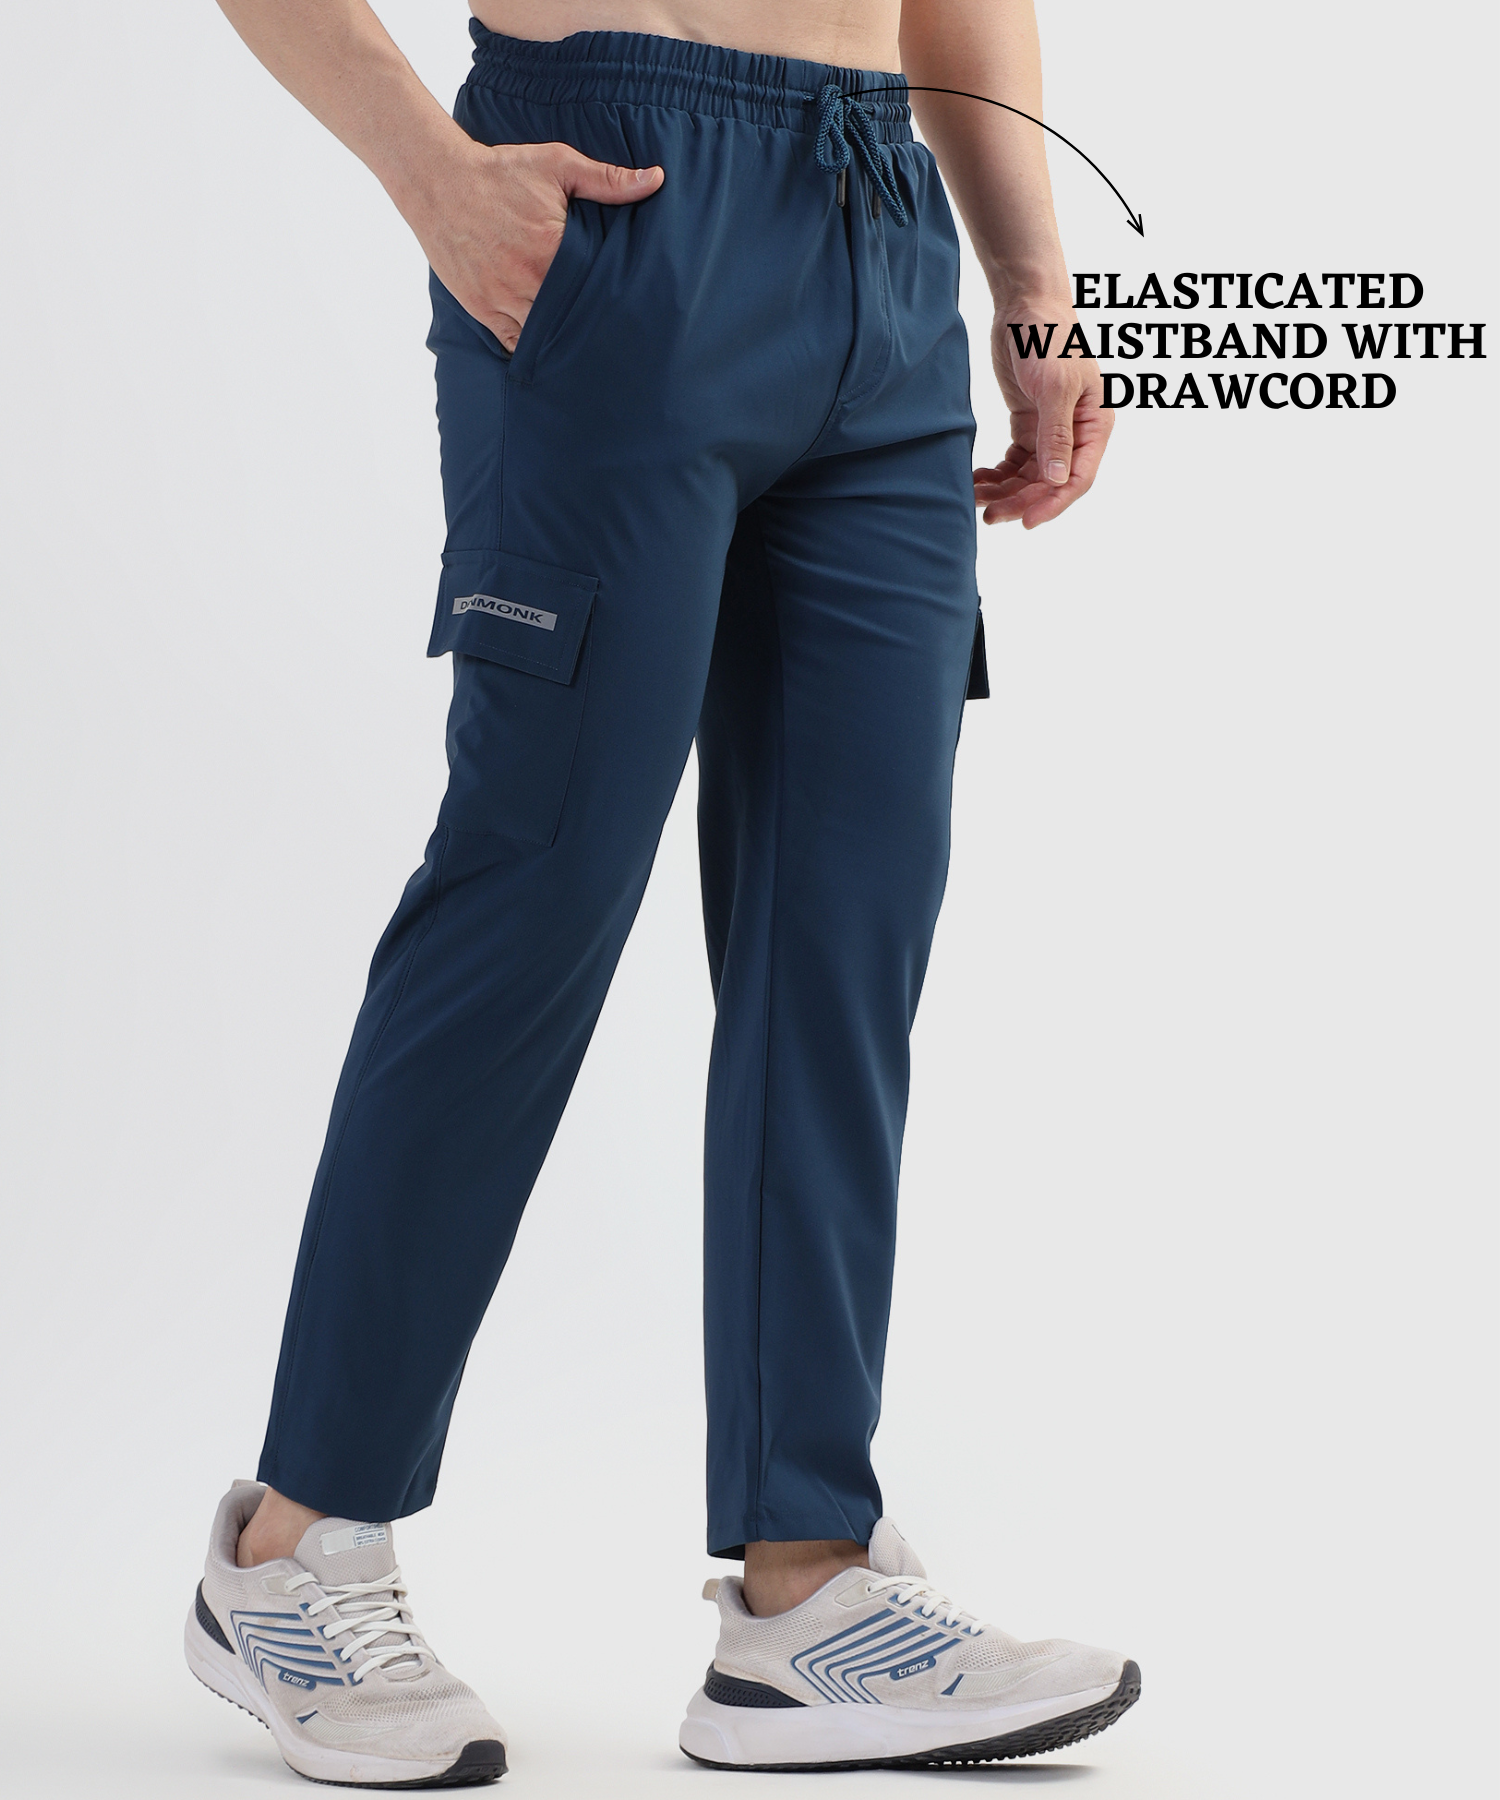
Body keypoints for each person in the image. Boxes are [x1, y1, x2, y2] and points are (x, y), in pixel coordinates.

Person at [184, 0, 1134, 1785]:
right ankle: (294, 1549)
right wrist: (428, 171)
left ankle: (807, 1588)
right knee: (532, 897)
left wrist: (1032, 285)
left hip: (879, 229)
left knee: (843, 935)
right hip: (610, 197)